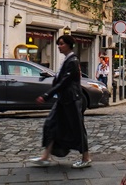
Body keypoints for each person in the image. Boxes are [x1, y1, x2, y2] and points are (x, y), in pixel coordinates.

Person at [30, 34, 91, 169]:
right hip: (64, 99)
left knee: (78, 129)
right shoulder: (66, 60)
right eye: (58, 44)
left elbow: (64, 82)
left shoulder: (73, 61)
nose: (59, 46)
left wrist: (46, 95)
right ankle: (45, 157)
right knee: (51, 124)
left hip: (72, 100)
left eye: (61, 44)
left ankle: (86, 158)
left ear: (69, 45)